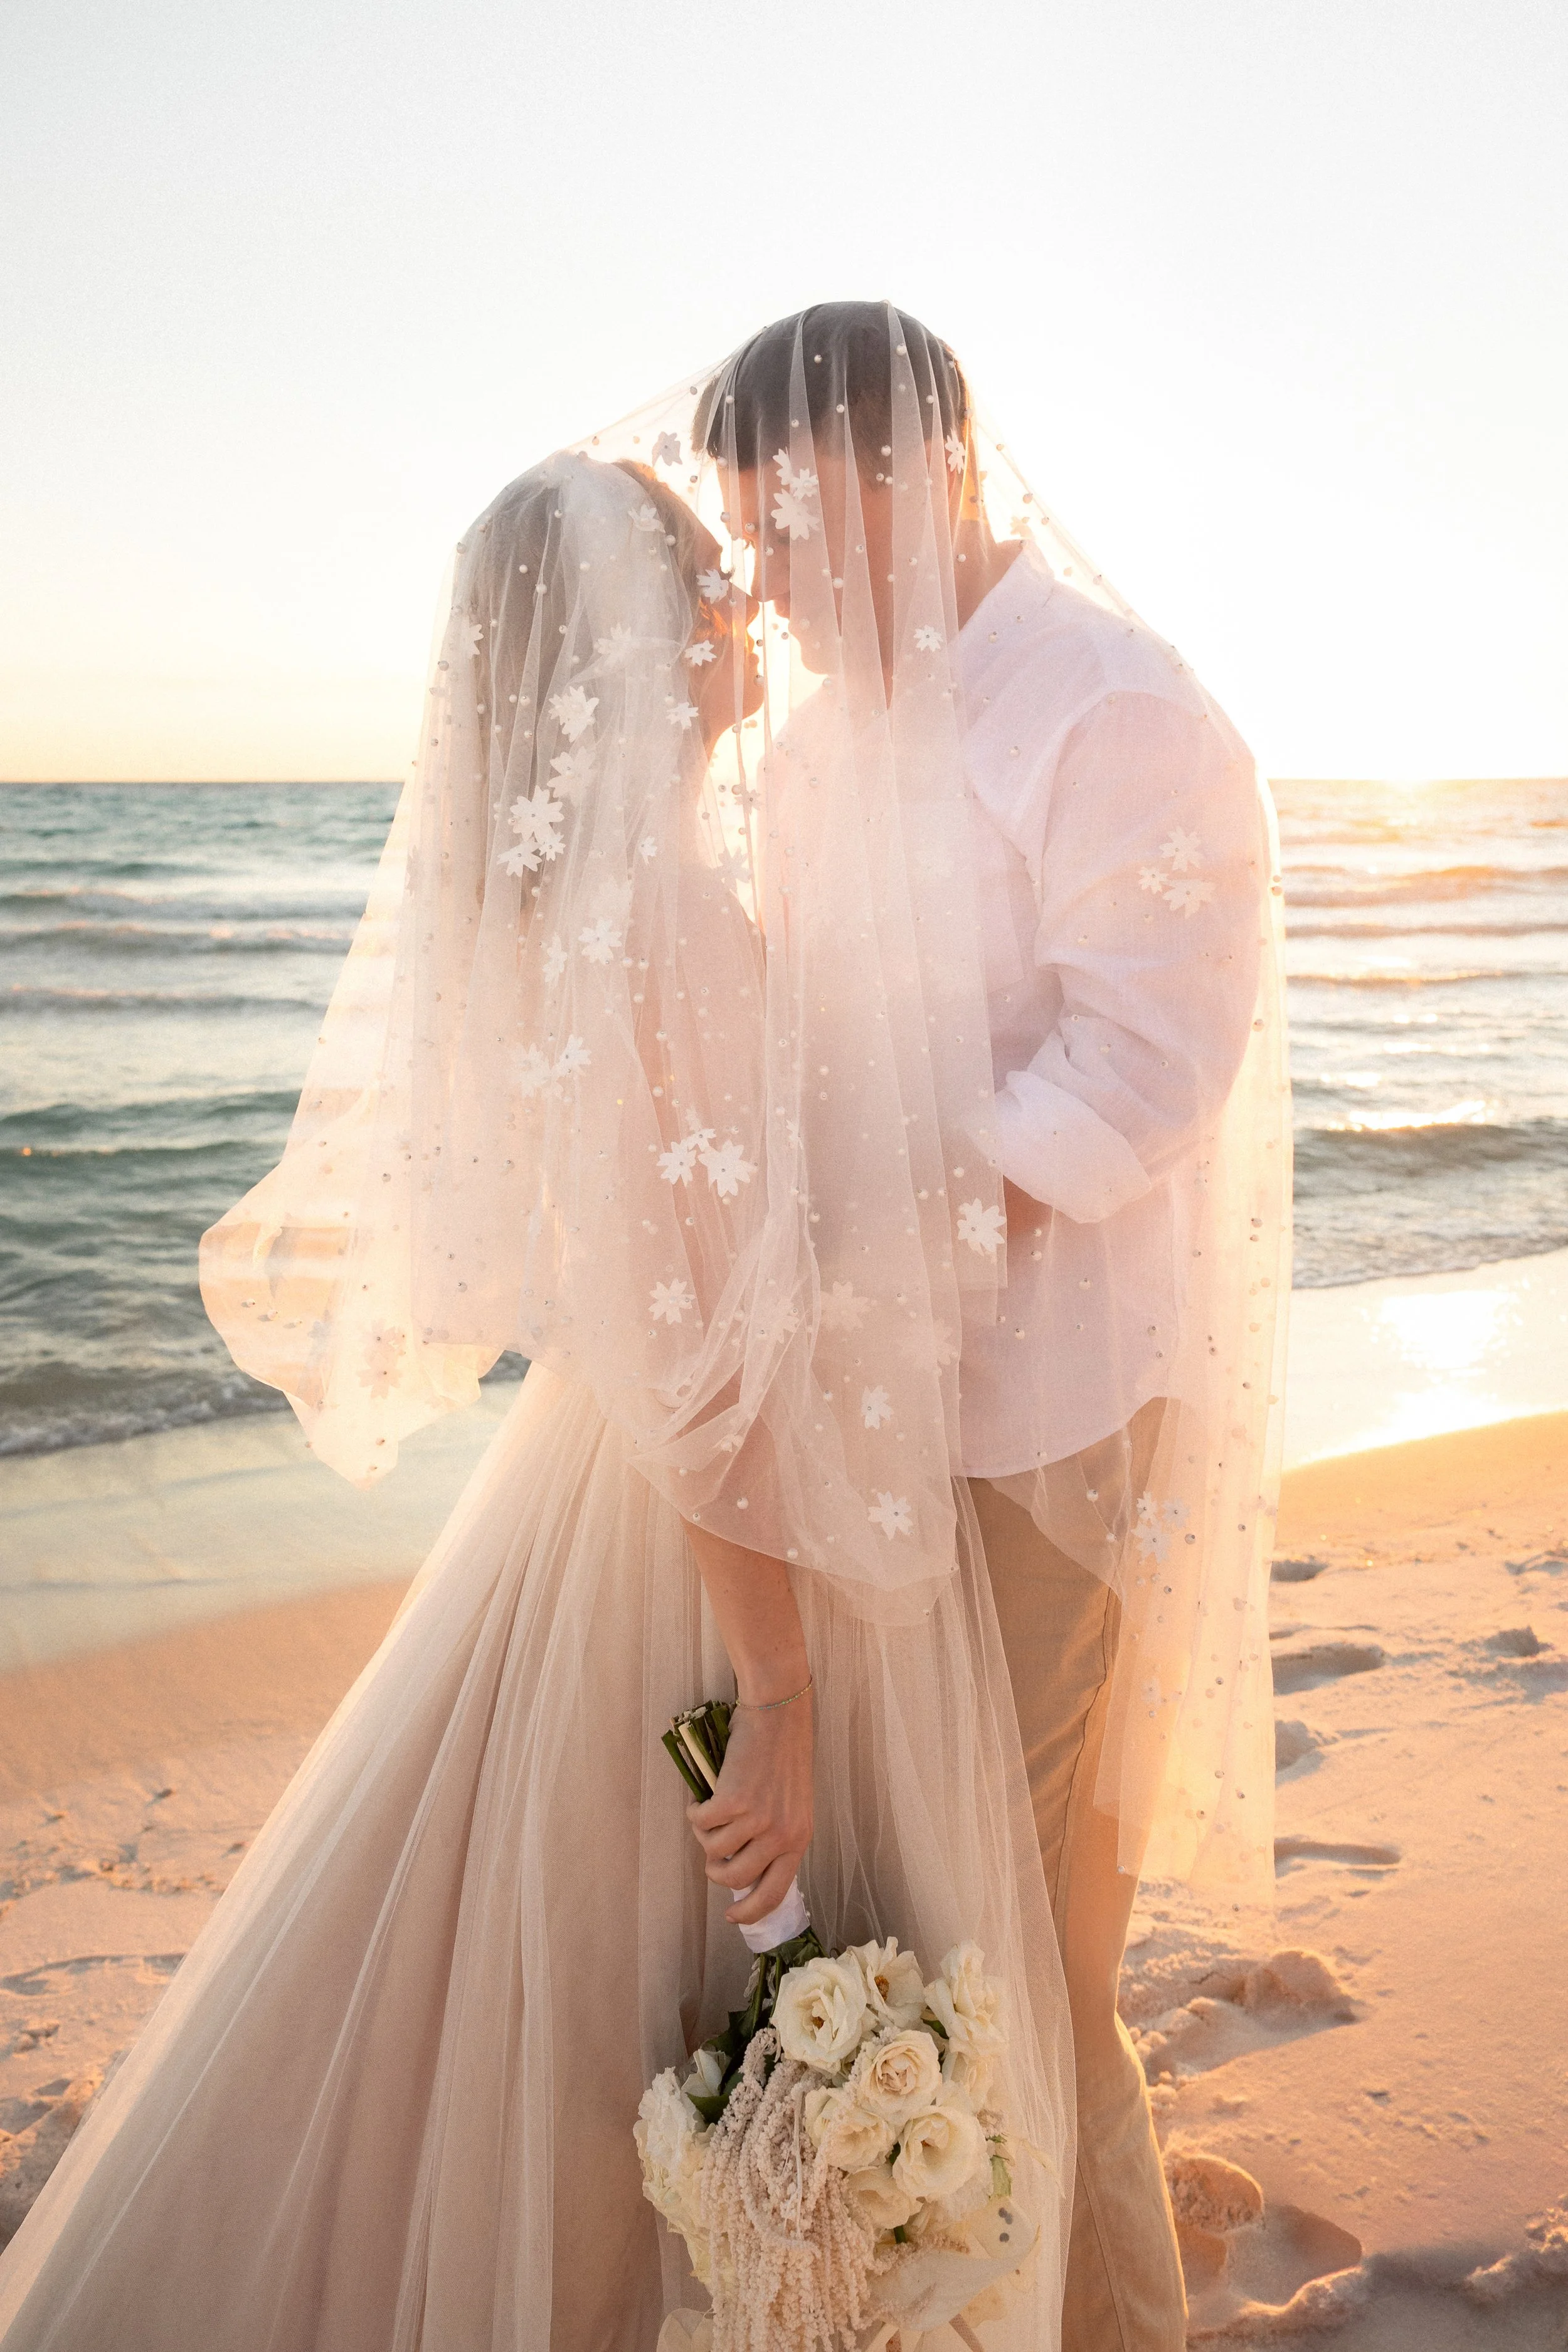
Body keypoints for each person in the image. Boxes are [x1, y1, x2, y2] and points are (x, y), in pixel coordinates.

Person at [0, 306, 1288, 2352]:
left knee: (1034, 1962)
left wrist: (857, 1248)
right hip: (815, 1464)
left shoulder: (1112, 715)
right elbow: (714, 1160)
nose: (757, 587)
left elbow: (1137, 1082)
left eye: (772, 527)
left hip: (1031, 1428)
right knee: (923, 1942)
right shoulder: (800, 746)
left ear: (905, 471)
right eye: (722, 558)